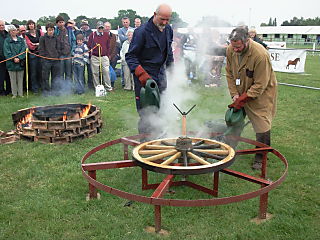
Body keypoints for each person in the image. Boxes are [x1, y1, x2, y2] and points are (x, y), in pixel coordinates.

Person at [225, 26, 277, 170]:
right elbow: (229, 72)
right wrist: (235, 94)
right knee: (234, 119)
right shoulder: (230, 49)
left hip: (262, 93)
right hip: (240, 89)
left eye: (238, 46)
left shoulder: (260, 54)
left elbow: (261, 84)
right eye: (233, 46)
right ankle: (230, 149)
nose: (234, 50)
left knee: (262, 124)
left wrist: (244, 98)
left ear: (247, 40)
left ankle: (260, 156)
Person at [126, 3, 174, 135]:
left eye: (167, 19)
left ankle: (159, 140)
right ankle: (145, 145)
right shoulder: (141, 32)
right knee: (146, 114)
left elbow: (168, 52)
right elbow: (130, 57)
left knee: (161, 110)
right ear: (155, 15)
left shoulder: (169, 30)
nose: (164, 22)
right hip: (144, 78)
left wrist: (172, 70)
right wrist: (142, 75)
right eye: (162, 19)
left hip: (161, 75)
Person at [87, 21, 112, 91]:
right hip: (95, 56)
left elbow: (108, 45)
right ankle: (97, 87)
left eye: (102, 27)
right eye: (99, 27)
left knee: (106, 71)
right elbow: (89, 45)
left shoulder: (106, 35)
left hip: (104, 56)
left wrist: (107, 54)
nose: (100, 29)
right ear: (97, 27)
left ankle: (108, 87)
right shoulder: (93, 35)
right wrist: (91, 55)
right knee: (95, 73)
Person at [3, 25, 26, 98]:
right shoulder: (7, 40)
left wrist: (19, 58)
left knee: (20, 78)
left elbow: (23, 49)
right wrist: (13, 58)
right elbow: (7, 51)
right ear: (9, 32)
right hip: (11, 63)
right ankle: (14, 94)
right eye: (12, 30)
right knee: (12, 79)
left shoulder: (21, 40)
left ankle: (20, 93)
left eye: (15, 30)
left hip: (20, 62)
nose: (14, 32)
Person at [39, 22, 60, 95]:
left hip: (55, 60)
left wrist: (57, 56)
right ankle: (46, 91)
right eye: (49, 30)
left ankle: (55, 91)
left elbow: (58, 48)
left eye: (52, 30)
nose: (51, 31)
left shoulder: (56, 38)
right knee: (45, 77)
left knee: (55, 76)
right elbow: (41, 49)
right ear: (47, 30)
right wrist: (44, 58)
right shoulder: (42, 38)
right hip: (46, 60)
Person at [55, 15, 75, 88]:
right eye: (59, 22)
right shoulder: (55, 31)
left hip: (68, 54)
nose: (61, 24)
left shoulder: (69, 30)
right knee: (60, 72)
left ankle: (68, 88)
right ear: (57, 23)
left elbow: (73, 40)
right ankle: (61, 88)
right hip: (60, 54)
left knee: (68, 72)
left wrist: (72, 51)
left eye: (62, 22)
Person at [25, 19, 43, 93]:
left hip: (41, 54)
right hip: (32, 55)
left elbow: (43, 40)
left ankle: (41, 87)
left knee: (41, 71)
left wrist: (37, 44)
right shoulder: (27, 34)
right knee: (33, 72)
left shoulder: (39, 31)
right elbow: (30, 45)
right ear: (28, 26)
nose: (31, 25)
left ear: (34, 25)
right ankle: (34, 89)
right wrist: (37, 44)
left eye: (32, 24)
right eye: (30, 24)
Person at [77, 19, 93, 90]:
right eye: (83, 25)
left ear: (88, 25)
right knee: (81, 70)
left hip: (89, 53)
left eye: (85, 25)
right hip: (80, 54)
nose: (84, 26)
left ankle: (90, 84)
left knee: (90, 70)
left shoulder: (92, 32)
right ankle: (82, 84)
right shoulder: (78, 32)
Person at [118, 17, 134, 88]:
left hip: (133, 58)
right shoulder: (120, 30)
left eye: (126, 22)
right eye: (124, 22)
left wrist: (127, 36)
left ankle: (134, 85)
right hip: (124, 55)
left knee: (133, 73)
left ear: (129, 22)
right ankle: (125, 85)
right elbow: (122, 38)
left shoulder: (133, 29)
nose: (125, 23)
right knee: (125, 72)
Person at [104, 21, 118, 88]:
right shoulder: (101, 35)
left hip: (112, 56)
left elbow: (115, 47)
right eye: (106, 26)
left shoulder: (114, 36)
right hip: (103, 56)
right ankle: (105, 84)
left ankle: (112, 84)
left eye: (108, 26)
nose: (107, 28)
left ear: (110, 27)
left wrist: (111, 56)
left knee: (112, 70)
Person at [0, 19, 11, 95]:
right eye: (0, 25)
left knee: (8, 75)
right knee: (1, 75)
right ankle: (1, 91)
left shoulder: (8, 34)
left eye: (2, 25)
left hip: (8, 58)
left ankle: (8, 90)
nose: (1, 26)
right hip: (0, 59)